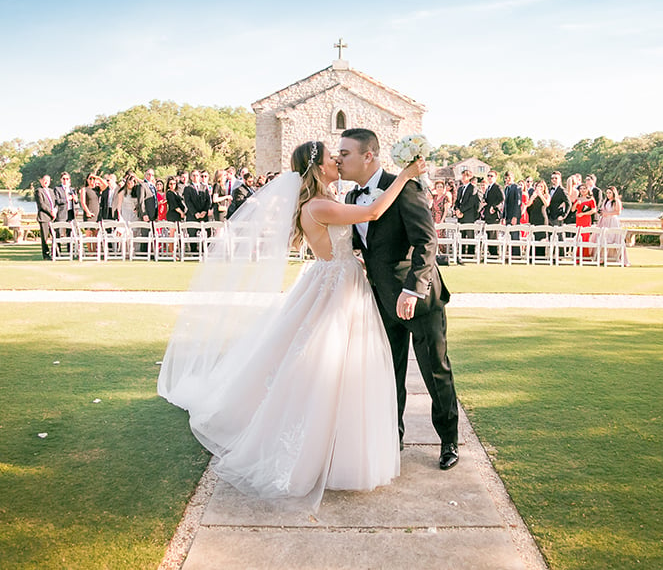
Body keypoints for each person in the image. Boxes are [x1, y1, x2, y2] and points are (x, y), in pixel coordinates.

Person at [158, 140, 426, 511]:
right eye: (332, 158)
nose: (337, 161)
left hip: (339, 278)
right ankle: (321, 453)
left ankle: (338, 447)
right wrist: (407, 176)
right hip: (338, 287)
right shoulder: (319, 205)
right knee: (327, 365)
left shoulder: (319, 202)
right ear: (317, 168)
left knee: (340, 364)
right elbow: (376, 211)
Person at [338, 128, 459, 472]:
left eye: (345, 153)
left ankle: (448, 440)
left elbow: (427, 242)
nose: (339, 159)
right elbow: (367, 245)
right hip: (380, 300)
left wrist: (412, 289)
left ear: (368, 156)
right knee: (389, 373)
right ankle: (394, 436)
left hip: (420, 299)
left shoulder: (405, 186)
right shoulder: (350, 199)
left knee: (436, 371)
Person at [454, 169, 480, 257]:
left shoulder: (473, 188)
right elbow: (457, 200)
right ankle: (461, 253)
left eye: (464, 176)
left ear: (469, 177)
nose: (462, 177)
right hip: (460, 215)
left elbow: (471, 202)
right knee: (462, 235)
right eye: (462, 175)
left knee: (469, 235)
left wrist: (461, 210)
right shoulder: (461, 188)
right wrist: (457, 209)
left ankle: (470, 253)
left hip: (469, 215)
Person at [35, 174, 57, 259]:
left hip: (53, 217)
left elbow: (55, 203)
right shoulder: (39, 191)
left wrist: (55, 211)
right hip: (44, 217)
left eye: (47, 180)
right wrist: (50, 212)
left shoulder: (51, 191)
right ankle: (46, 254)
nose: (46, 182)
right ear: (41, 181)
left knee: (55, 235)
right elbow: (41, 205)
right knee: (45, 238)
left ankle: (55, 252)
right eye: (44, 180)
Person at [527, 180, 550, 257]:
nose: (539, 188)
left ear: (544, 188)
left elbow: (546, 204)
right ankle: (531, 256)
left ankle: (541, 256)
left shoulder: (546, 195)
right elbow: (528, 205)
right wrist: (533, 197)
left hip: (542, 218)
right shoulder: (533, 194)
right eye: (537, 186)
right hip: (534, 217)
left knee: (541, 237)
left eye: (541, 186)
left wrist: (540, 195)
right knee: (533, 236)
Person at [574, 183, 597, 259]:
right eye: (581, 189)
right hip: (578, 220)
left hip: (586, 219)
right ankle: (578, 256)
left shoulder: (591, 199)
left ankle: (585, 256)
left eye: (584, 189)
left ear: (588, 190)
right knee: (578, 236)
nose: (582, 190)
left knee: (585, 237)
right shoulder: (578, 199)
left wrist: (583, 214)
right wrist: (576, 203)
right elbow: (573, 209)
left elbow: (594, 210)